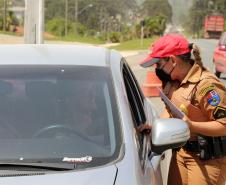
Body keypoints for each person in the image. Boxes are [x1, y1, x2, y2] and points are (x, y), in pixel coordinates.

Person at [140, 33, 226, 185]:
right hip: (181, 152)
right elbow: (171, 109)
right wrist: (157, 128)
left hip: (206, 159)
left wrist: (193, 126)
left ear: (173, 60)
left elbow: (224, 124)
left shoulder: (206, 85)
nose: (156, 69)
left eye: (158, 64)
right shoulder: (174, 82)